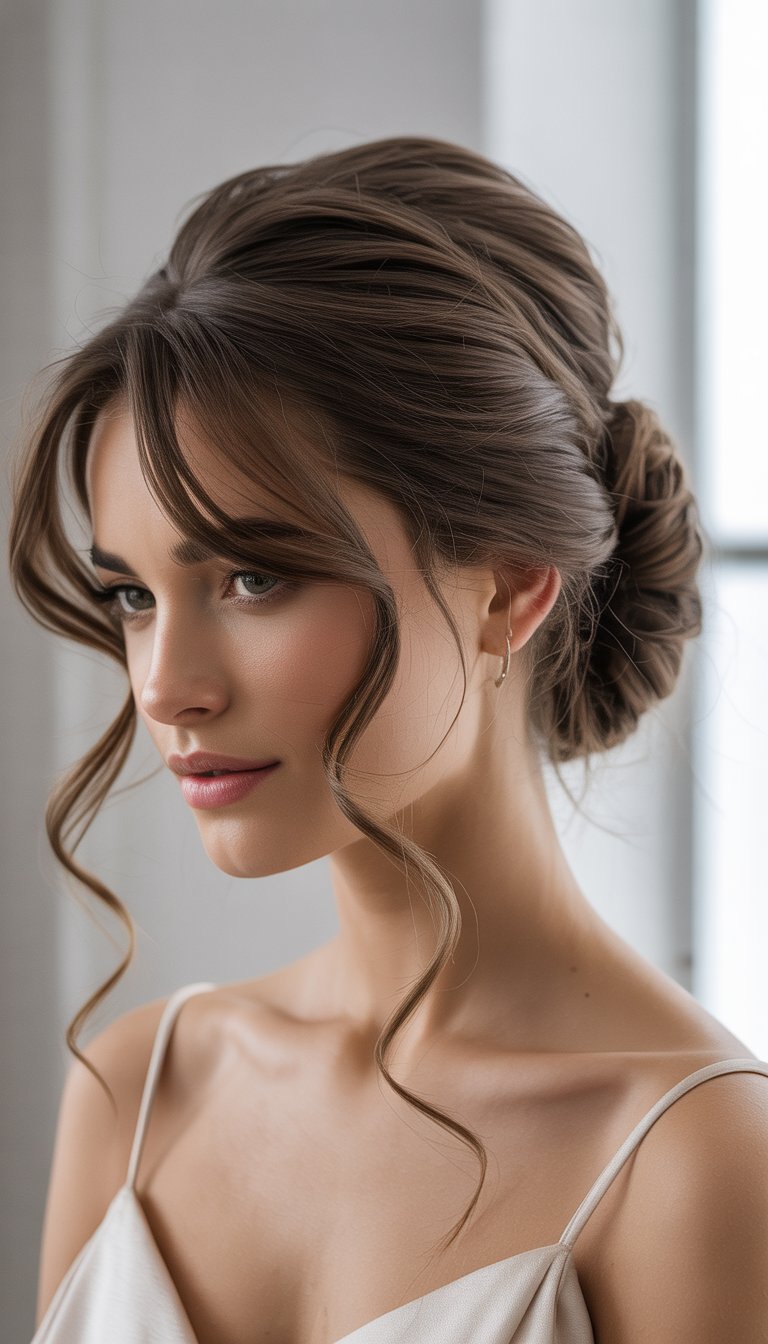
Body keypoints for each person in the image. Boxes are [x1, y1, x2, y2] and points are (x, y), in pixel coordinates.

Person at [9, 135, 767, 1344]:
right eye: (134, 594)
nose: (167, 688)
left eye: (256, 575)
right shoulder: (138, 1086)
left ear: (512, 584)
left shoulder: (696, 1160)